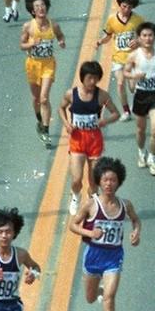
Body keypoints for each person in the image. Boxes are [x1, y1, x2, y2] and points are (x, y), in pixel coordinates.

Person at [69, 157, 141, 311]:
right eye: (105, 179)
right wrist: (89, 233)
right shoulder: (91, 205)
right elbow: (73, 225)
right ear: (99, 181)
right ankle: (99, 292)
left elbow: (136, 220)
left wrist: (136, 232)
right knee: (91, 298)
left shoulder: (125, 205)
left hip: (113, 257)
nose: (109, 184)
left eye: (113, 180)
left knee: (110, 299)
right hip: (93, 256)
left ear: (119, 182)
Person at [58, 61, 119, 216]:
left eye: (96, 78)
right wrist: (66, 123)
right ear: (82, 77)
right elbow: (61, 108)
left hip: (94, 140)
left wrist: (105, 121)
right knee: (77, 178)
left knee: (93, 180)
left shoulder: (102, 96)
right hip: (77, 139)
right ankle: (76, 196)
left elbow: (115, 113)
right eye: (90, 78)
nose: (93, 82)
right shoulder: (71, 94)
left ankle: (92, 203)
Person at [124, 22, 155, 176]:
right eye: (144, 35)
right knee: (141, 130)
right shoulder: (134, 55)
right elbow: (126, 72)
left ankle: (152, 159)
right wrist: (134, 76)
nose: (148, 38)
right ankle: (141, 152)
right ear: (139, 37)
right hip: (141, 95)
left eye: (150, 35)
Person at [20, 0, 65, 147]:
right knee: (36, 99)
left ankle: (45, 130)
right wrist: (32, 44)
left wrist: (61, 42)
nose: (41, 8)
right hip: (33, 64)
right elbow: (22, 45)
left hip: (48, 65)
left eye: (43, 5)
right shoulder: (28, 26)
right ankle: (39, 119)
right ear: (33, 11)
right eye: (37, 6)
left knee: (44, 98)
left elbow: (60, 35)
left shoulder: (54, 25)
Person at [97, 0, 144, 121]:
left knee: (132, 86)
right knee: (120, 83)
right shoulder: (112, 19)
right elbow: (108, 36)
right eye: (124, 6)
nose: (126, 9)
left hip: (133, 58)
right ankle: (126, 111)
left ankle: (137, 101)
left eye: (129, 7)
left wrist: (138, 41)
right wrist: (100, 42)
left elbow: (145, 37)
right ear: (119, 5)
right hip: (118, 58)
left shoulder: (138, 20)